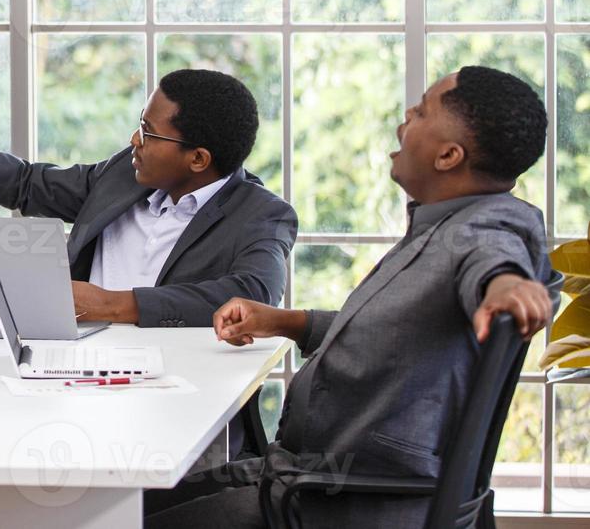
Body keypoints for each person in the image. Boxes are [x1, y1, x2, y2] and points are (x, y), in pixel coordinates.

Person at [145, 66, 557, 529]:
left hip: (336, 504)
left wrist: (505, 284)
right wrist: (287, 322)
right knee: (132, 500)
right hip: (304, 478)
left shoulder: (483, 228)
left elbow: (494, 255)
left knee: (107, 519)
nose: (407, 115)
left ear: (448, 155)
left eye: (422, 110)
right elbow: (397, 334)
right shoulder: (443, 223)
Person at [0, 68, 297, 328]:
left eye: (149, 132)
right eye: (138, 124)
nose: (134, 140)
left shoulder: (262, 217)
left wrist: (111, 303)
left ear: (198, 159)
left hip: (178, 391)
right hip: (74, 371)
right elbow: (25, 183)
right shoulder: (126, 174)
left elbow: (253, 294)